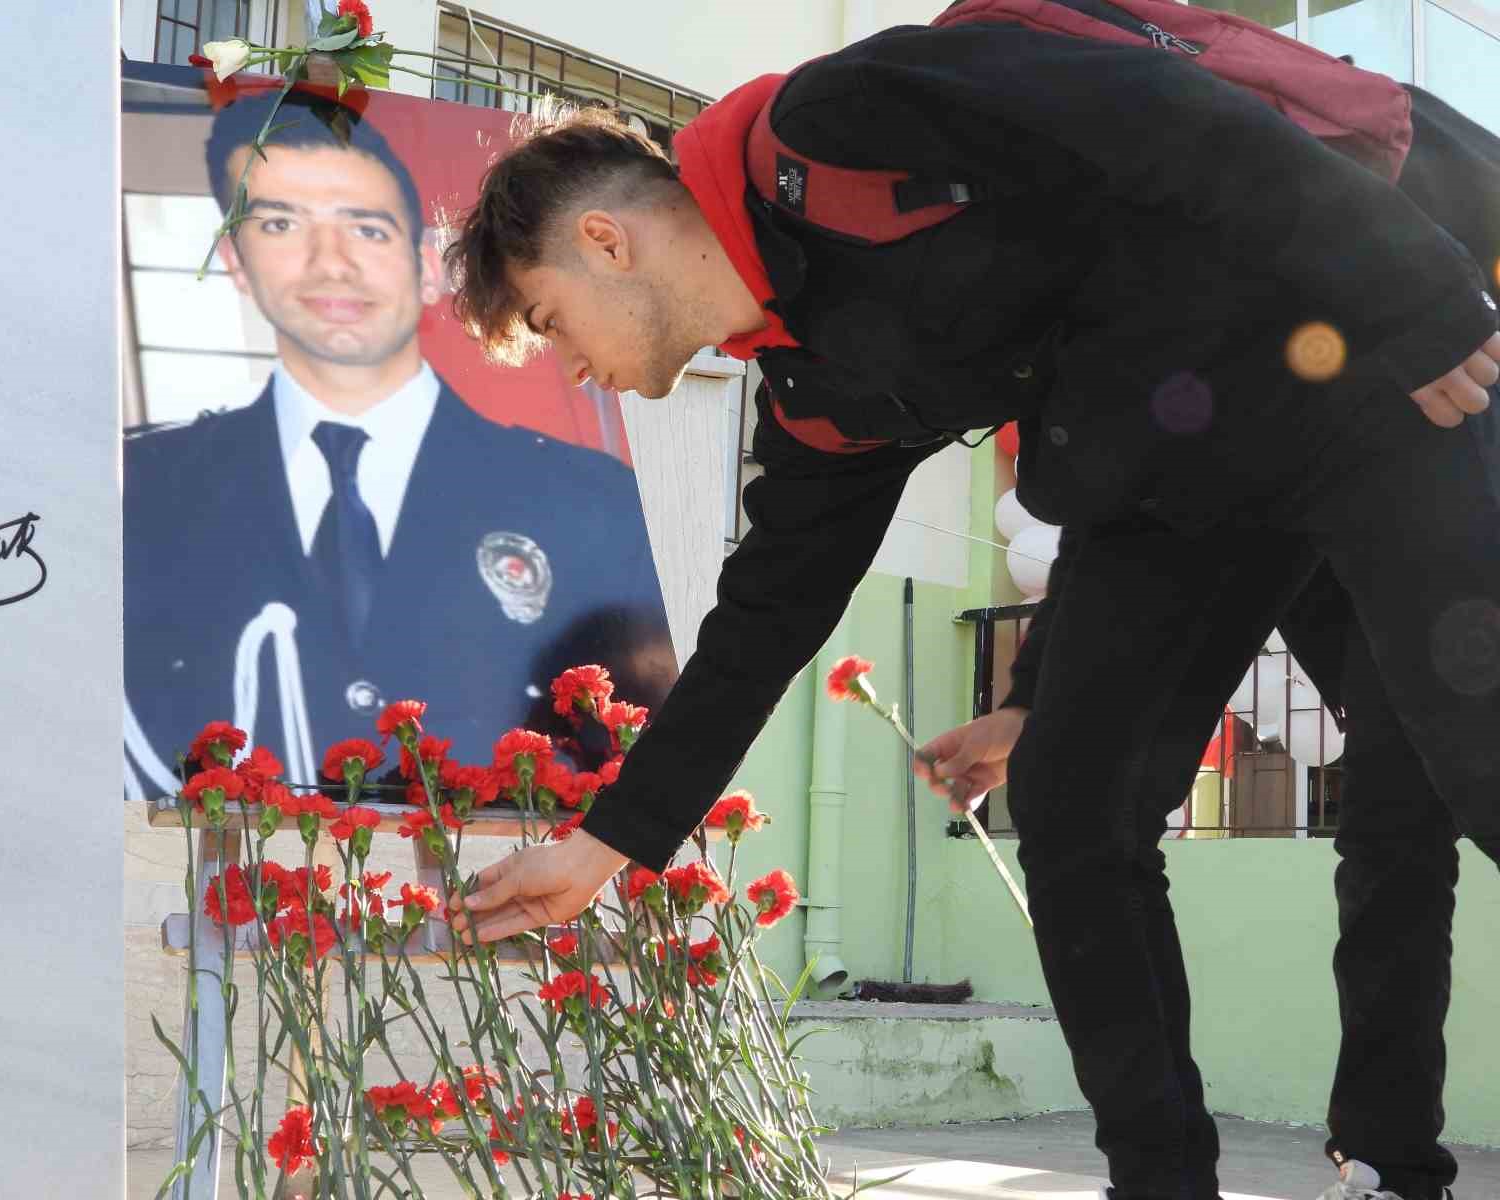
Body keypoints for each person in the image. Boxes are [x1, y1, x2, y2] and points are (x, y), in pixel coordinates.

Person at [437, 23, 1500, 1200]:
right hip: (1178, 477)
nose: (568, 368)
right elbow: (760, 627)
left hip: (1353, 371)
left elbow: (1172, 120)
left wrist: (1415, 293)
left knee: (1464, 761)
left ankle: (1390, 1152)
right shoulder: (808, 391)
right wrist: (610, 843)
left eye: (548, 322)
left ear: (604, 239)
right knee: (1075, 809)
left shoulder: (850, 115)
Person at [123, 91, 675, 794]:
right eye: (281, 222)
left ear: (424, 263)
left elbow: (632, 768)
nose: (330, 262)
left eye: (366, 228)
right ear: (236, 259)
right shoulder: (148, 490)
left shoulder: (591, 501)